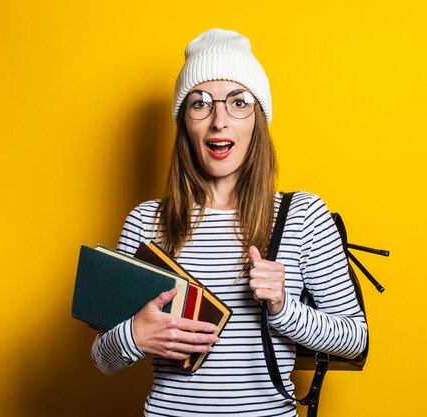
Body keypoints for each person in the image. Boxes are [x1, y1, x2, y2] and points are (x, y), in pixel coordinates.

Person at [90, 28, 367, 416]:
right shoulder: (145, 222)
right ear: (184, 121)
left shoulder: (302, 216)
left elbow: (355, 339)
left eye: (239, 102)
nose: (220, 120)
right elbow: (104, 359)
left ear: (258, 118)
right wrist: (136, 335)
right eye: (200, 104)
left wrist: (283, 307)